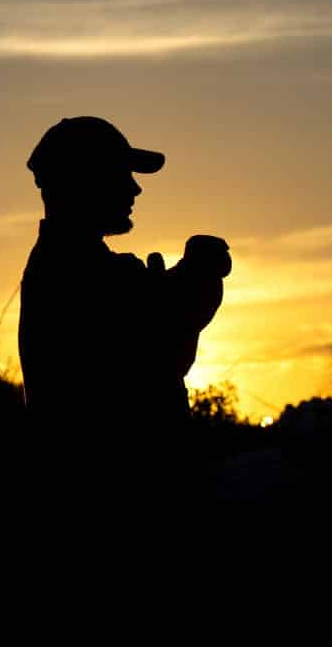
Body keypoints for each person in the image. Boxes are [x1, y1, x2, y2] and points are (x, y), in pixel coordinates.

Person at [17, 117, 231, 498]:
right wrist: (199, 274)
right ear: (84, 180)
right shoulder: (77, 274)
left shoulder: (77, 268)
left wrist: (185, 279)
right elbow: (159, 350)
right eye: (120, 174)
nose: (134, 188)